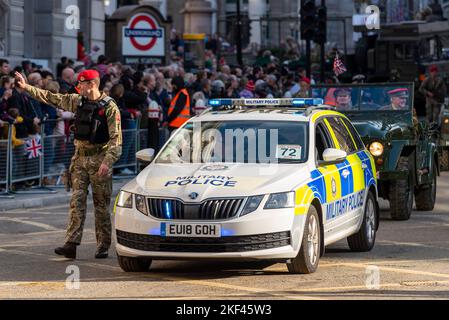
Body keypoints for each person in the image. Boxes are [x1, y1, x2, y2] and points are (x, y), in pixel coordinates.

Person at [15, 69, 122, 260]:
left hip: (99, 160)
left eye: (81, 84)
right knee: (77, 201)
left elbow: (116, 140)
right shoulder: (76, 101)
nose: (78, 87)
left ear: (92, 85)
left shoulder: (109, 107)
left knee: (101, 205)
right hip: (79, 160)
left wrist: (107, 162)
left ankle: (103, 245)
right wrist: (27, 88)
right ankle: (71, 244)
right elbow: (50, 97)